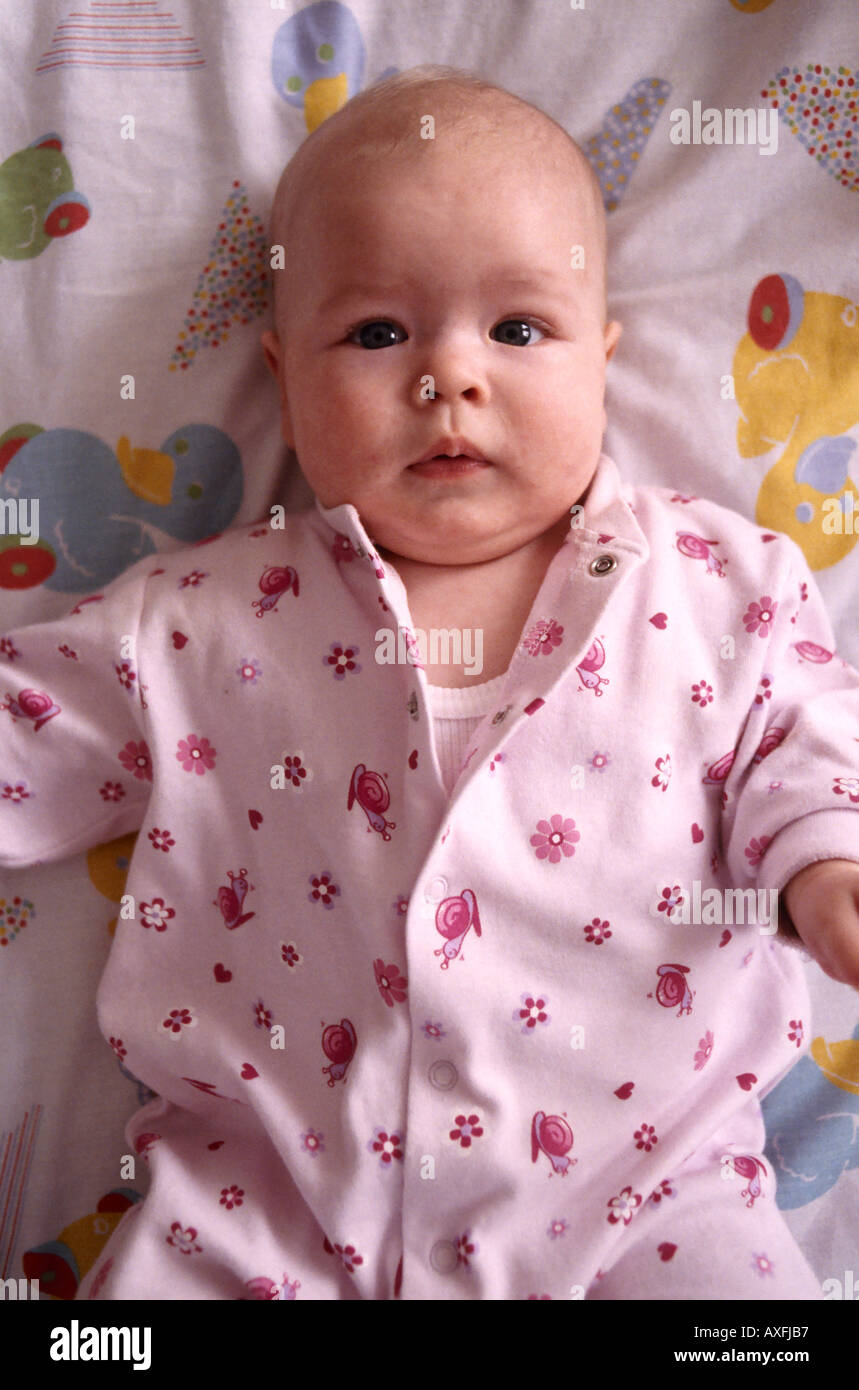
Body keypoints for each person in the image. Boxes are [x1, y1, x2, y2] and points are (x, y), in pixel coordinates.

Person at [2, 65, 858, 1301]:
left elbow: (811, 733)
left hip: (645, 1200)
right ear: (282, 378)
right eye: (374, 333)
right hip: (269, 1208)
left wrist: (828, 866)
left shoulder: (720, 585)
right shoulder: (193, 624)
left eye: (518, 330)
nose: (449, 376)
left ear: (600, 358)